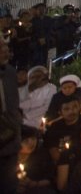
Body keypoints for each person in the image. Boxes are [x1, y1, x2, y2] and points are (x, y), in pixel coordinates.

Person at [0, 40, 22, 192]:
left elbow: (14, 106)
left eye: (6, 47)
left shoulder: (9, 72)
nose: (6, 51)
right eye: (0, 48)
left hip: (9, 138)